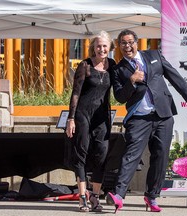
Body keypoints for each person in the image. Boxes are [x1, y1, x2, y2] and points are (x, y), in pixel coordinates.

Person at [106, 29, 187, 213]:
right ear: (119, 46)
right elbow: (119, 97)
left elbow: (175, 76)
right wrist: (131, 81)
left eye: (130, 42)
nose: (127, 46)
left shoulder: (154, 55)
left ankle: (152, 196)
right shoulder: (118, 70)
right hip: (139, 118)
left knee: (161, 156)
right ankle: (118, 194)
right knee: (131, 155)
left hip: (163, 115)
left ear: (137, 42)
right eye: (123, 43)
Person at [65, 30, 116, 212]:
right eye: (98, 46)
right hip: (83, 114)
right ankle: (81, 196)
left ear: (110, 47)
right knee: (81, 153)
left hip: (102, 117)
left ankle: (94, 196)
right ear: (93, 48)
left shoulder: (112, 66)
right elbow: (76, 93)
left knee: (101, 155)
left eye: (104, 46)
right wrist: (71, 118)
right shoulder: (85, 66)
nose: (101, 49)